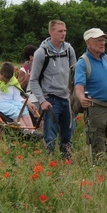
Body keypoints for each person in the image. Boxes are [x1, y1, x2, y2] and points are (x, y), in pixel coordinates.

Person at [28, 20, 76, 159]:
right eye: (60, 31)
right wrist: (42, 100)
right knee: (50, 135)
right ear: (51, 32)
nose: (63, 34)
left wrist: (76, 96)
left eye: (65, 31)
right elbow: (33, 79)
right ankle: (49, 162)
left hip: (67, 97)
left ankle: (66, 161)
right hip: (50, 98)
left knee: (68, 134)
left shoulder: (69, 50)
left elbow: (75, 73)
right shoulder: (41, 52)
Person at [73, 28, 107, 165]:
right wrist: (81, 98)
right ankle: (100, 172)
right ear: (88, 43)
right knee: (97, 143)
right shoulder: (83, 62)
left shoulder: (105, 58)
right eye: (98, 40)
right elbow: (79, 85)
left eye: (103, 40)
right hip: (96, 108)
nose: (102, 43)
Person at [18, 44, 40, 112]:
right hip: (30, 97)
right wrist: (25, 80)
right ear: (31, 57)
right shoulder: (23, 70)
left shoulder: (40, 67)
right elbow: (18, 87)